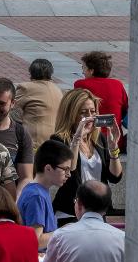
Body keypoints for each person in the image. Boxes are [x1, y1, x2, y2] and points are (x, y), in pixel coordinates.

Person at [50, 88, 123, 225]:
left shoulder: (98, 139)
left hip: (97, 211)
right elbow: (69, 170)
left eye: (93, 111)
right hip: (70, 213)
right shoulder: (58, 140)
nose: (90, 117)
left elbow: (115, 177)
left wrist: (114, 148)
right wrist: (77, 139)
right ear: (71, 115)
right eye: (83, 113)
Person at [17, 139, 71, 249]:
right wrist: (64, 231)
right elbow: (36, 241)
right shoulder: (36, 196)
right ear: (48, 168)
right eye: (65, 169)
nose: (68, 174)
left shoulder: (38, 191)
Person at [74, 50, 129, 142]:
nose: (83, 72)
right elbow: (125, 110)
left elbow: (74, 110)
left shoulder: (80, 84)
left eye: (83, 68)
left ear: (91, 71)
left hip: (90, 139)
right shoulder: (117, 84)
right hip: (115, 140)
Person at [14, 58, 64, 148]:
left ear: (31, 72)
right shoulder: (57, 89)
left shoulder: (26, 88)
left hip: (35, 141)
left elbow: (9, 106)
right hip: (56, 139)